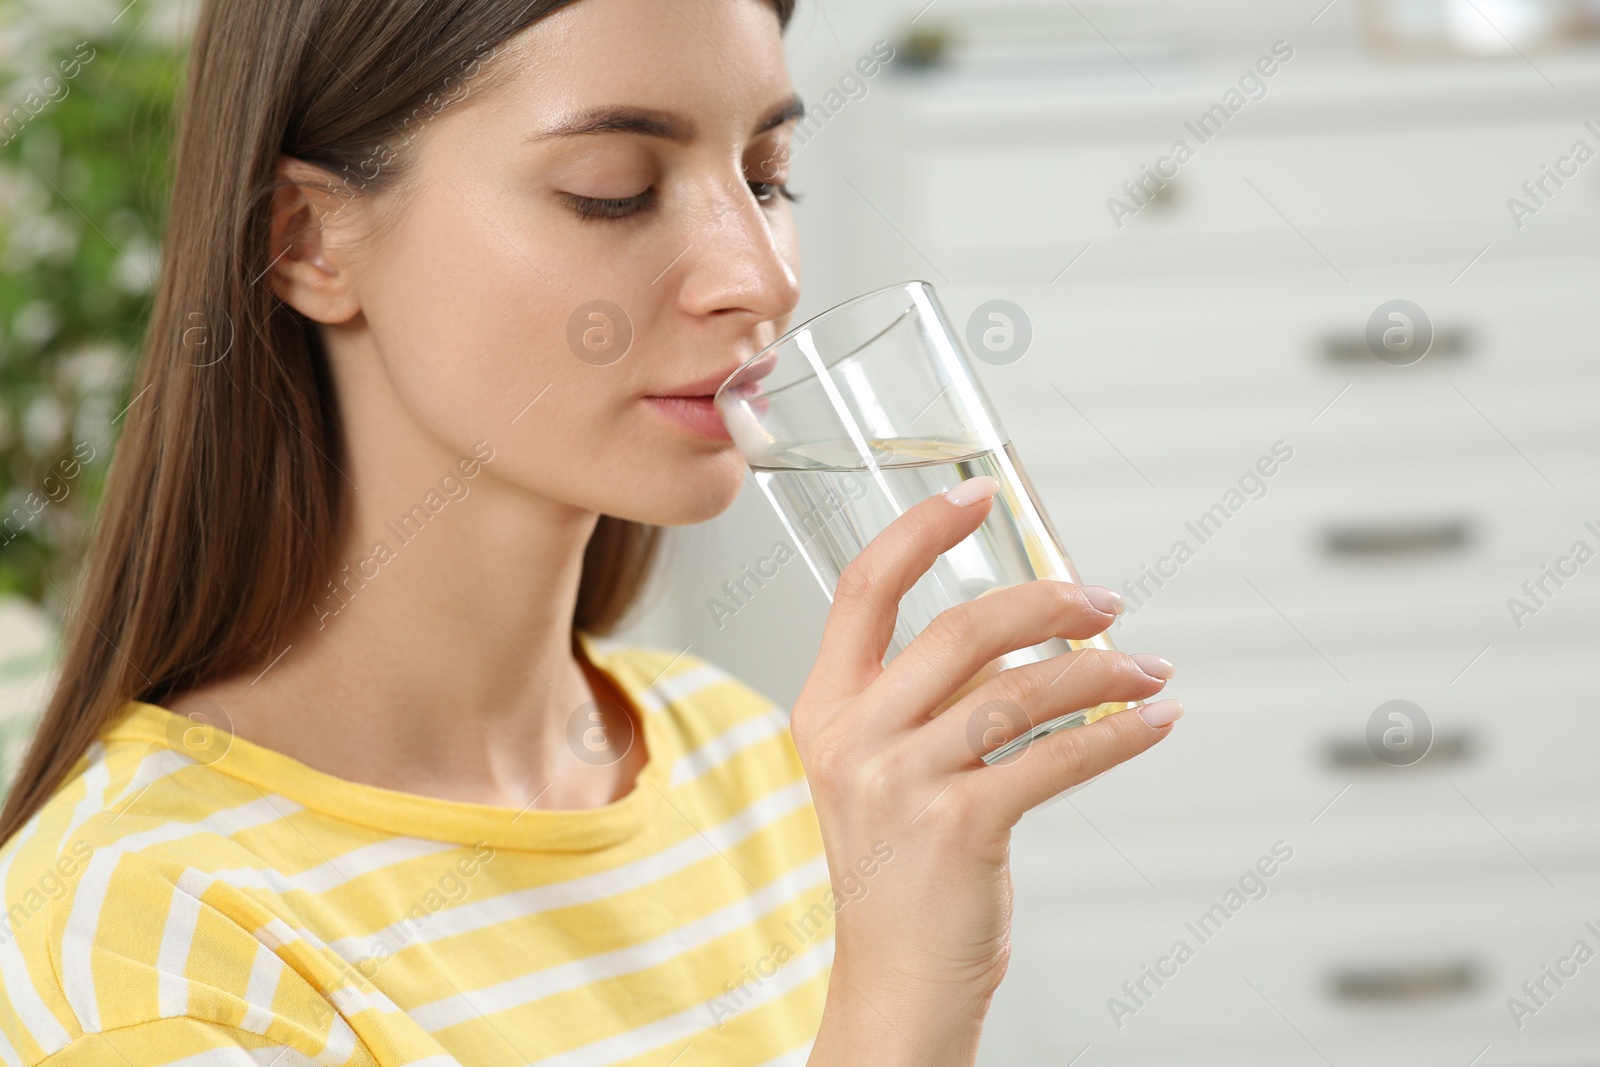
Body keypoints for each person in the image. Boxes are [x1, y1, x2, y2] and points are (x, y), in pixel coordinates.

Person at [0, 0, 1183, 1063]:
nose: (758, 276)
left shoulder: (750, 762)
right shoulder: (141, 931)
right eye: (613, 186)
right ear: (306, 240)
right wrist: (901, 1014)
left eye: (767, 175)